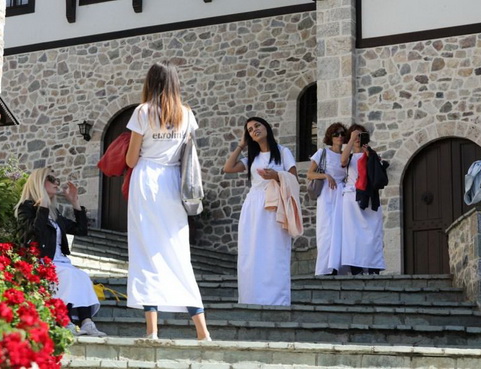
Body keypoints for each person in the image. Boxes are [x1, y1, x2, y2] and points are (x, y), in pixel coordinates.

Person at [124, 61, 210, 341]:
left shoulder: (143, 112)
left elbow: (130, 159)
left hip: (147, 180)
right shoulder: (187, 114)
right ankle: (202, 330)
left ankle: (152, 330)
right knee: (177, 252)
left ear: (150, 82)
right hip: (174, 182)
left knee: (146, 250)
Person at [15, 168, 106, 337]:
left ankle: (86, 322)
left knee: (82, 276)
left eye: (57, 179)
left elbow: (81, 230)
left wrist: (75, 203)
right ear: (39, 182)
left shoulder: (54, 213)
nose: (57, 183)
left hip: (61, 261)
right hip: (43, 261)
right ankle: (64, 321)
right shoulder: (26, 208)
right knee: (69, 275)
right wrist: (41, 206)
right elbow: (35, 232)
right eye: (52, 179)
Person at [224, 117, 298, 306]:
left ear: (266, 127)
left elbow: (294, 178)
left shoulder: (282, 152)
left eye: (257, 125)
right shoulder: (252, 158)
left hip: (275, 206)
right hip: (254, 206)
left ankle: (277, 300)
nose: (254, 130)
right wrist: (241, 145)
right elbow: (228, 168)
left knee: (274, 250)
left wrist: (276, 175)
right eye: (249, 129)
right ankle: (251, 298)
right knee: (252, 252)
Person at [333, 124, 386, 275]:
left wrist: (370, 155)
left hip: (369, 198)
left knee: (373, 233)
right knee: (353, 235)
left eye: (359, 136)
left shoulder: (370, 154)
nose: (357, 139)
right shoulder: (348, 156)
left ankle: (373, 268)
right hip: (351, 198)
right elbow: (342, 161)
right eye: (354, 136)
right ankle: (356, 268)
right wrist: (350, 140)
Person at [306, 123, 348, 275]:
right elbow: (309, 174)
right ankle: (325, 268)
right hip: (326, 194)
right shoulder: (322, 153)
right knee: (326, 230)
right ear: (330, 136)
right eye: (336, 134)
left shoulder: (346, 156)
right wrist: (325, 175)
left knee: (341, 230)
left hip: (341, 195)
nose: (339, 137)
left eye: (342, 134)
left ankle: (339, 267)